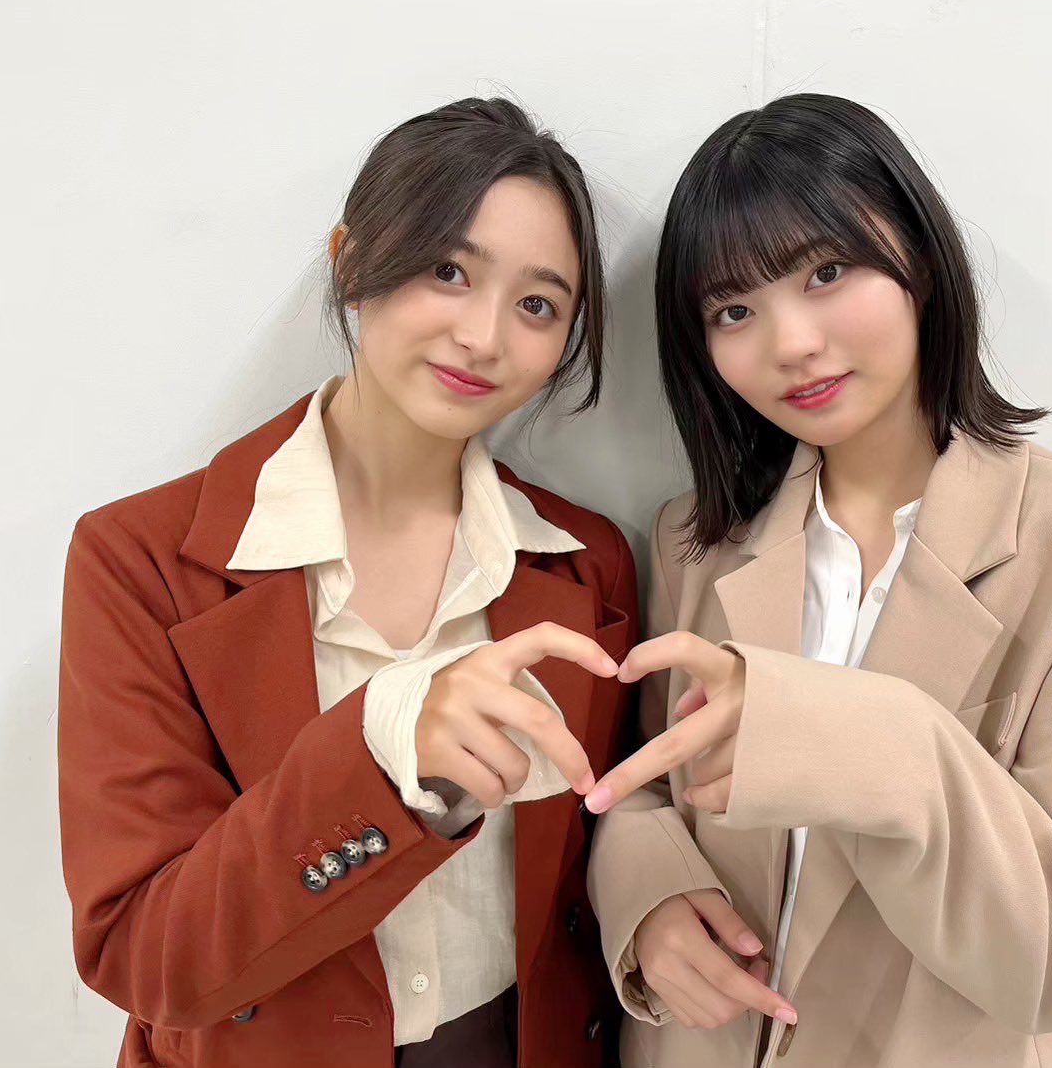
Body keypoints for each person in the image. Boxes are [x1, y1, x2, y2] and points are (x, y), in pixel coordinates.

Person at [585, 93, 1052, 1068]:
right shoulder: (691, 541)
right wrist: (648, 898)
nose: (791, 343)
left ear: (918, 255)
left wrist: (859, 735)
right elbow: (637, 784)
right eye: (734, 310)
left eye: (826, 271)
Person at [58, 97, 637, 1068]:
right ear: (350, 262)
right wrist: (382, 753)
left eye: (537, 305)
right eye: (448, 270)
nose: (484, 336)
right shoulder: (141, 559)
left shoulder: (584, 561)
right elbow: (144, 954)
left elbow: (606, 835)